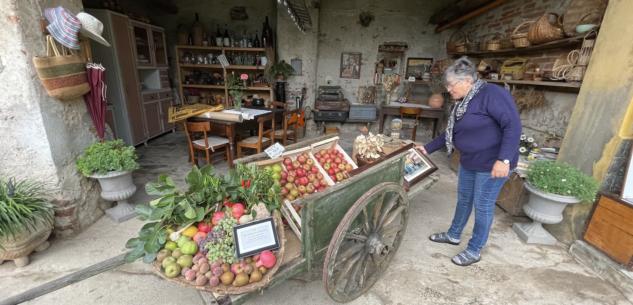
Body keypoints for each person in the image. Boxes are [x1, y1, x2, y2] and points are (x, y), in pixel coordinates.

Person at [417, 57, 521, 266]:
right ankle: (454, 235)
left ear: (467, 81)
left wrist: (504, 159)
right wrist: (425, 149)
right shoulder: (464, 102)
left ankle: (474, 249)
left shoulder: (492, 94)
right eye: (447, 85)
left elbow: (513, 125)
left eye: (451, 84)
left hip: (492, 163)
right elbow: (452, 132)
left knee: (483, 205)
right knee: (464, 199)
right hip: (469, 160)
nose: (448, 89)